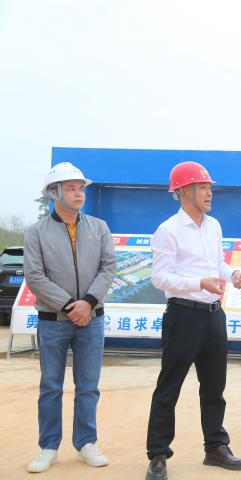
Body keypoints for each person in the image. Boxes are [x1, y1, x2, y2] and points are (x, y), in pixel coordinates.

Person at [145, 161, 241, 480]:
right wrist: (198, 283)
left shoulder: (213, 226)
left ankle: (215, 447)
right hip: (183, 316)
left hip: (214, 316)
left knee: (215, 386)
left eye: (209, 187)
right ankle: (158, 454)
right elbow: (160, 277)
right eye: (202, 187)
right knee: (169, 387)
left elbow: (217, 264)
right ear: (183, 191)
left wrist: (233, 274)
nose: (209, 192)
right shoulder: (168, 230)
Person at [24, 162, 117, 473]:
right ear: (54, 192)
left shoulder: (99, 228)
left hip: (92, 318)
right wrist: (69, 306)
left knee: (88, 386)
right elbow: (35, 276)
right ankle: (48, 447)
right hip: (53, 321)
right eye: (71, 188)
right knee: (51, 386)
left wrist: (87, 303)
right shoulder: (36, 232)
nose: (79, 194)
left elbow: (108, 268)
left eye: (81, 188)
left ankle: (86, 443)